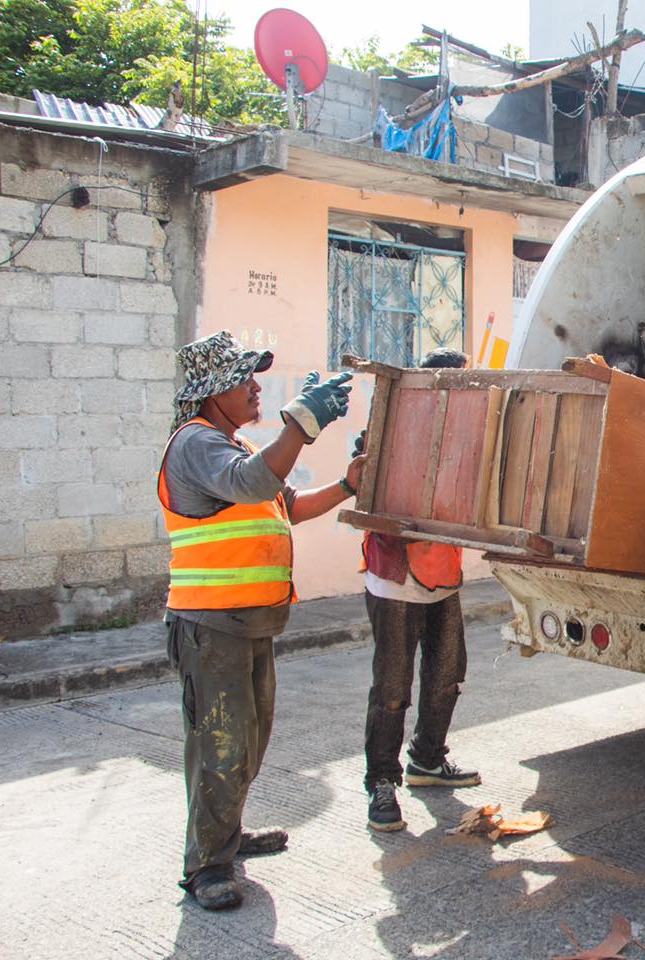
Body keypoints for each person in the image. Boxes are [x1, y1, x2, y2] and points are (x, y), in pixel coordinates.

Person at [159, 330, 363, 911]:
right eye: (243, 379)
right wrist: (301, 422)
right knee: (220, 743)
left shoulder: (233, 449)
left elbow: (287, 506)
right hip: (211, 625)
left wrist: (349, 484)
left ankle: (225, 834)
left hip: (247, 623)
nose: (254, 388)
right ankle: (206, 865)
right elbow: (255, 484)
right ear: (210, 393)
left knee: (247, 740)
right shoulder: (197, 445)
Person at [359, 347, 481, 834]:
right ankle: (381, 781)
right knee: (392, 689)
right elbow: (367, 480)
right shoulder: (393, 428)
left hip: (442, 575)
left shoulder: (468, 435)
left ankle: (427, 759)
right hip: (395, 578)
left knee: (448, 675)